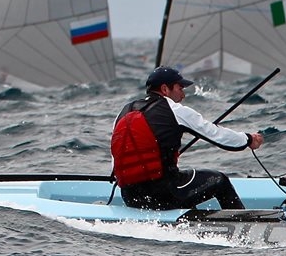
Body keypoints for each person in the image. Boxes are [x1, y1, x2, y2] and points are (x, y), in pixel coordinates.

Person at [110, 66, 263, 211]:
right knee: (220, 181)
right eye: (180, 88)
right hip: (164, 195)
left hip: (131, 197)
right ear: (165, 89)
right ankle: (243, 226)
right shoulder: (175, 110)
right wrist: (248, 139)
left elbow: (116, 160)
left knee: (183, 186)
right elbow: (216, 134)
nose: (183, 95)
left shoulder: (124, 112)